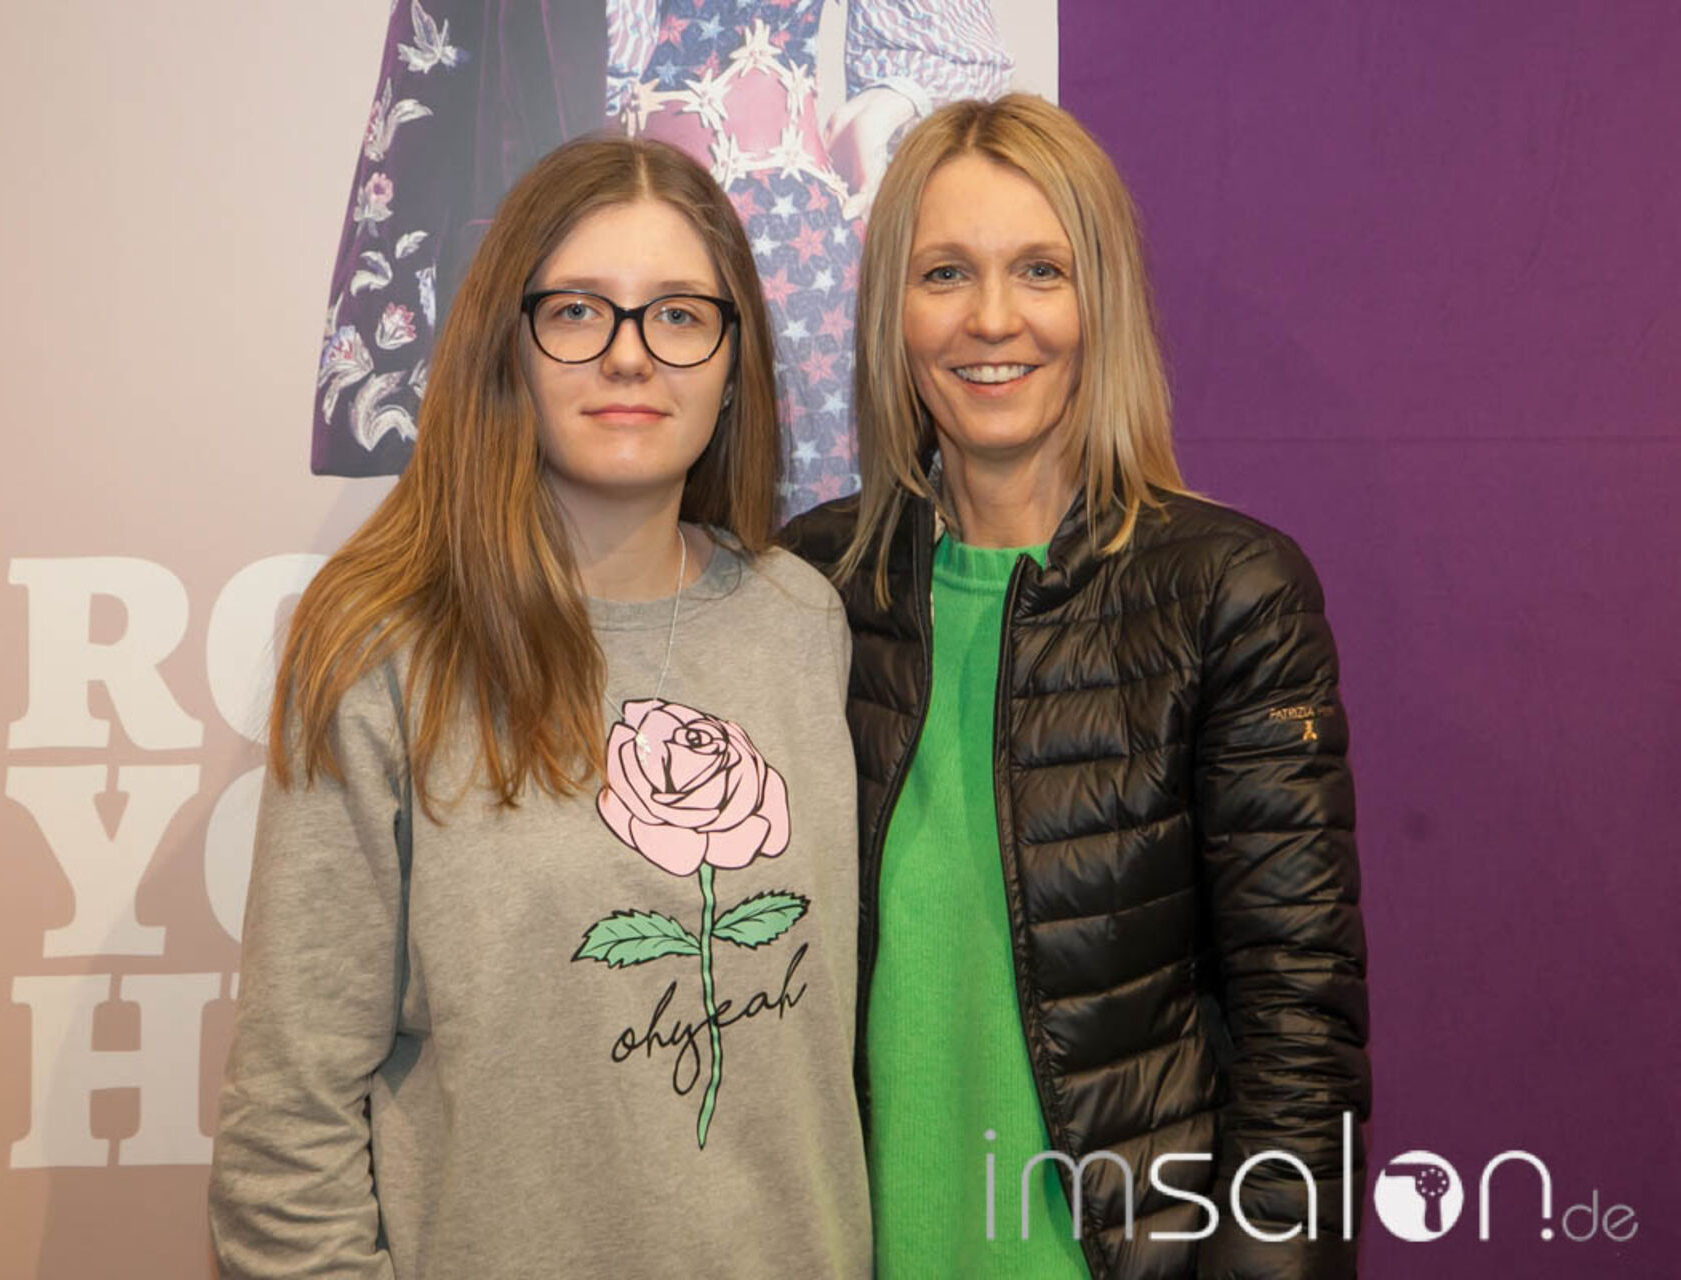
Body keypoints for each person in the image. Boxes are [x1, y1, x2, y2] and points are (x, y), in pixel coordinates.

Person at [212, 135, 870, 1278]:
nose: (629, 354)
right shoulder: (383, 651)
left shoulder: (802, 621)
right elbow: (286, 1135)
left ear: (734, 363)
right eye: (577, 311)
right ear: (507, 347)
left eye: (679, 314)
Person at [783, 94, 1371, 1278]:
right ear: (891, 311)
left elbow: (1298, 1030)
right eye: (945, 272)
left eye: (1040, 270)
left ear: (1099, 301)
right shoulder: (807, 587)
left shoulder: (1228, 591)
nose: (993, 318)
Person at [312, 0, 1013, 519]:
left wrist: (891, 101)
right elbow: (447, 86)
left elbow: (940, 44)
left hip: (791, 259)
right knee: (574, 575)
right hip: (584, 252)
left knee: (792, 571)